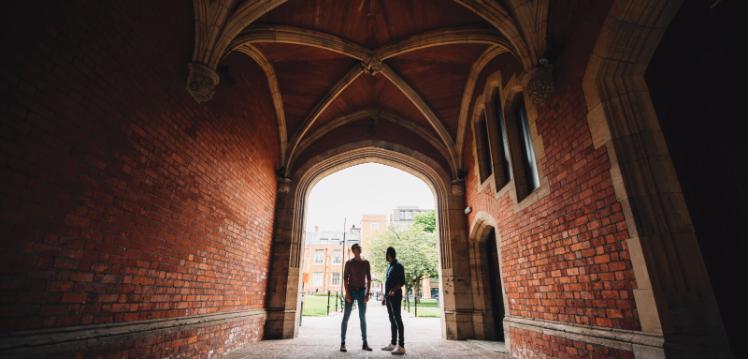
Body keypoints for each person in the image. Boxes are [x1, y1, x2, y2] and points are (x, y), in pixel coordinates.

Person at [340, 243, 372, 352]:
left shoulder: (366, 263)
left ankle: (365, 343)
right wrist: (347, 293)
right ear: (353, 251)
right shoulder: (349, 263)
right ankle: (343, 343)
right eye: (355, 249)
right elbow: (345, 279)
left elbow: (369, 279)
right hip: (351, 290)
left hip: (362, 291)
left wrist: (367, 294)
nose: (357, 250)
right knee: (346, 317)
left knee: (362, 317)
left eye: (358, 248)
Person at [381, 246, 406, 355]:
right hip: (389, 297)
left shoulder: (398, 266)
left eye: (386, 254)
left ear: (389, 255)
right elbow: (388, 281)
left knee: (397, 319)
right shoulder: (390, 266)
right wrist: (385, 296)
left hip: (396, 296)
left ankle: (401, 345)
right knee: (392, 319)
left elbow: (402, 282)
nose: (385, 257)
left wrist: (393, 290)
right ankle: (393, 343)